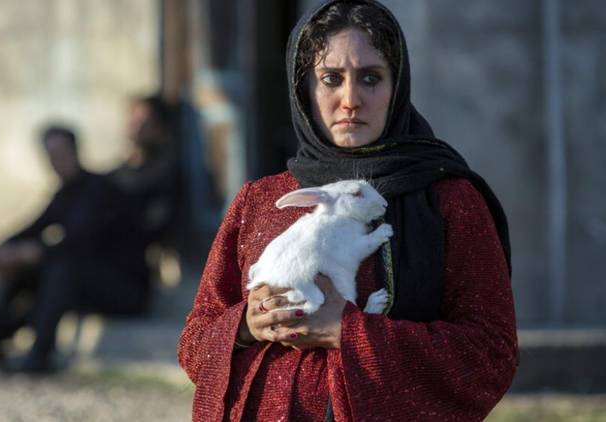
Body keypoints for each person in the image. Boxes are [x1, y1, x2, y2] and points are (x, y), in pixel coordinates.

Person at [177, 1, 517, 420]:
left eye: (371, 78)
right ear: (305, 90)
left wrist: (350, 332)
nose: (350, 100)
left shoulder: (449, 200)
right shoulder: (261, 200)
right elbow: (194, 342)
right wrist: (247, 325)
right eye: (331, 79)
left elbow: (491, 354)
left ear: (397, 87)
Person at [0, 98, 178, 373]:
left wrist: (35, 252)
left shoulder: (99, 189)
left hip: (125, 289)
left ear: (76, 151)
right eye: (52, 156)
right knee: (20, 276)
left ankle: (35, 354)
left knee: (58, 269)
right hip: (85, 280)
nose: (58, 161)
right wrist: (4, 249)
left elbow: (80, 243)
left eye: (63, 153)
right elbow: (32, 226)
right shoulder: (67, 194)